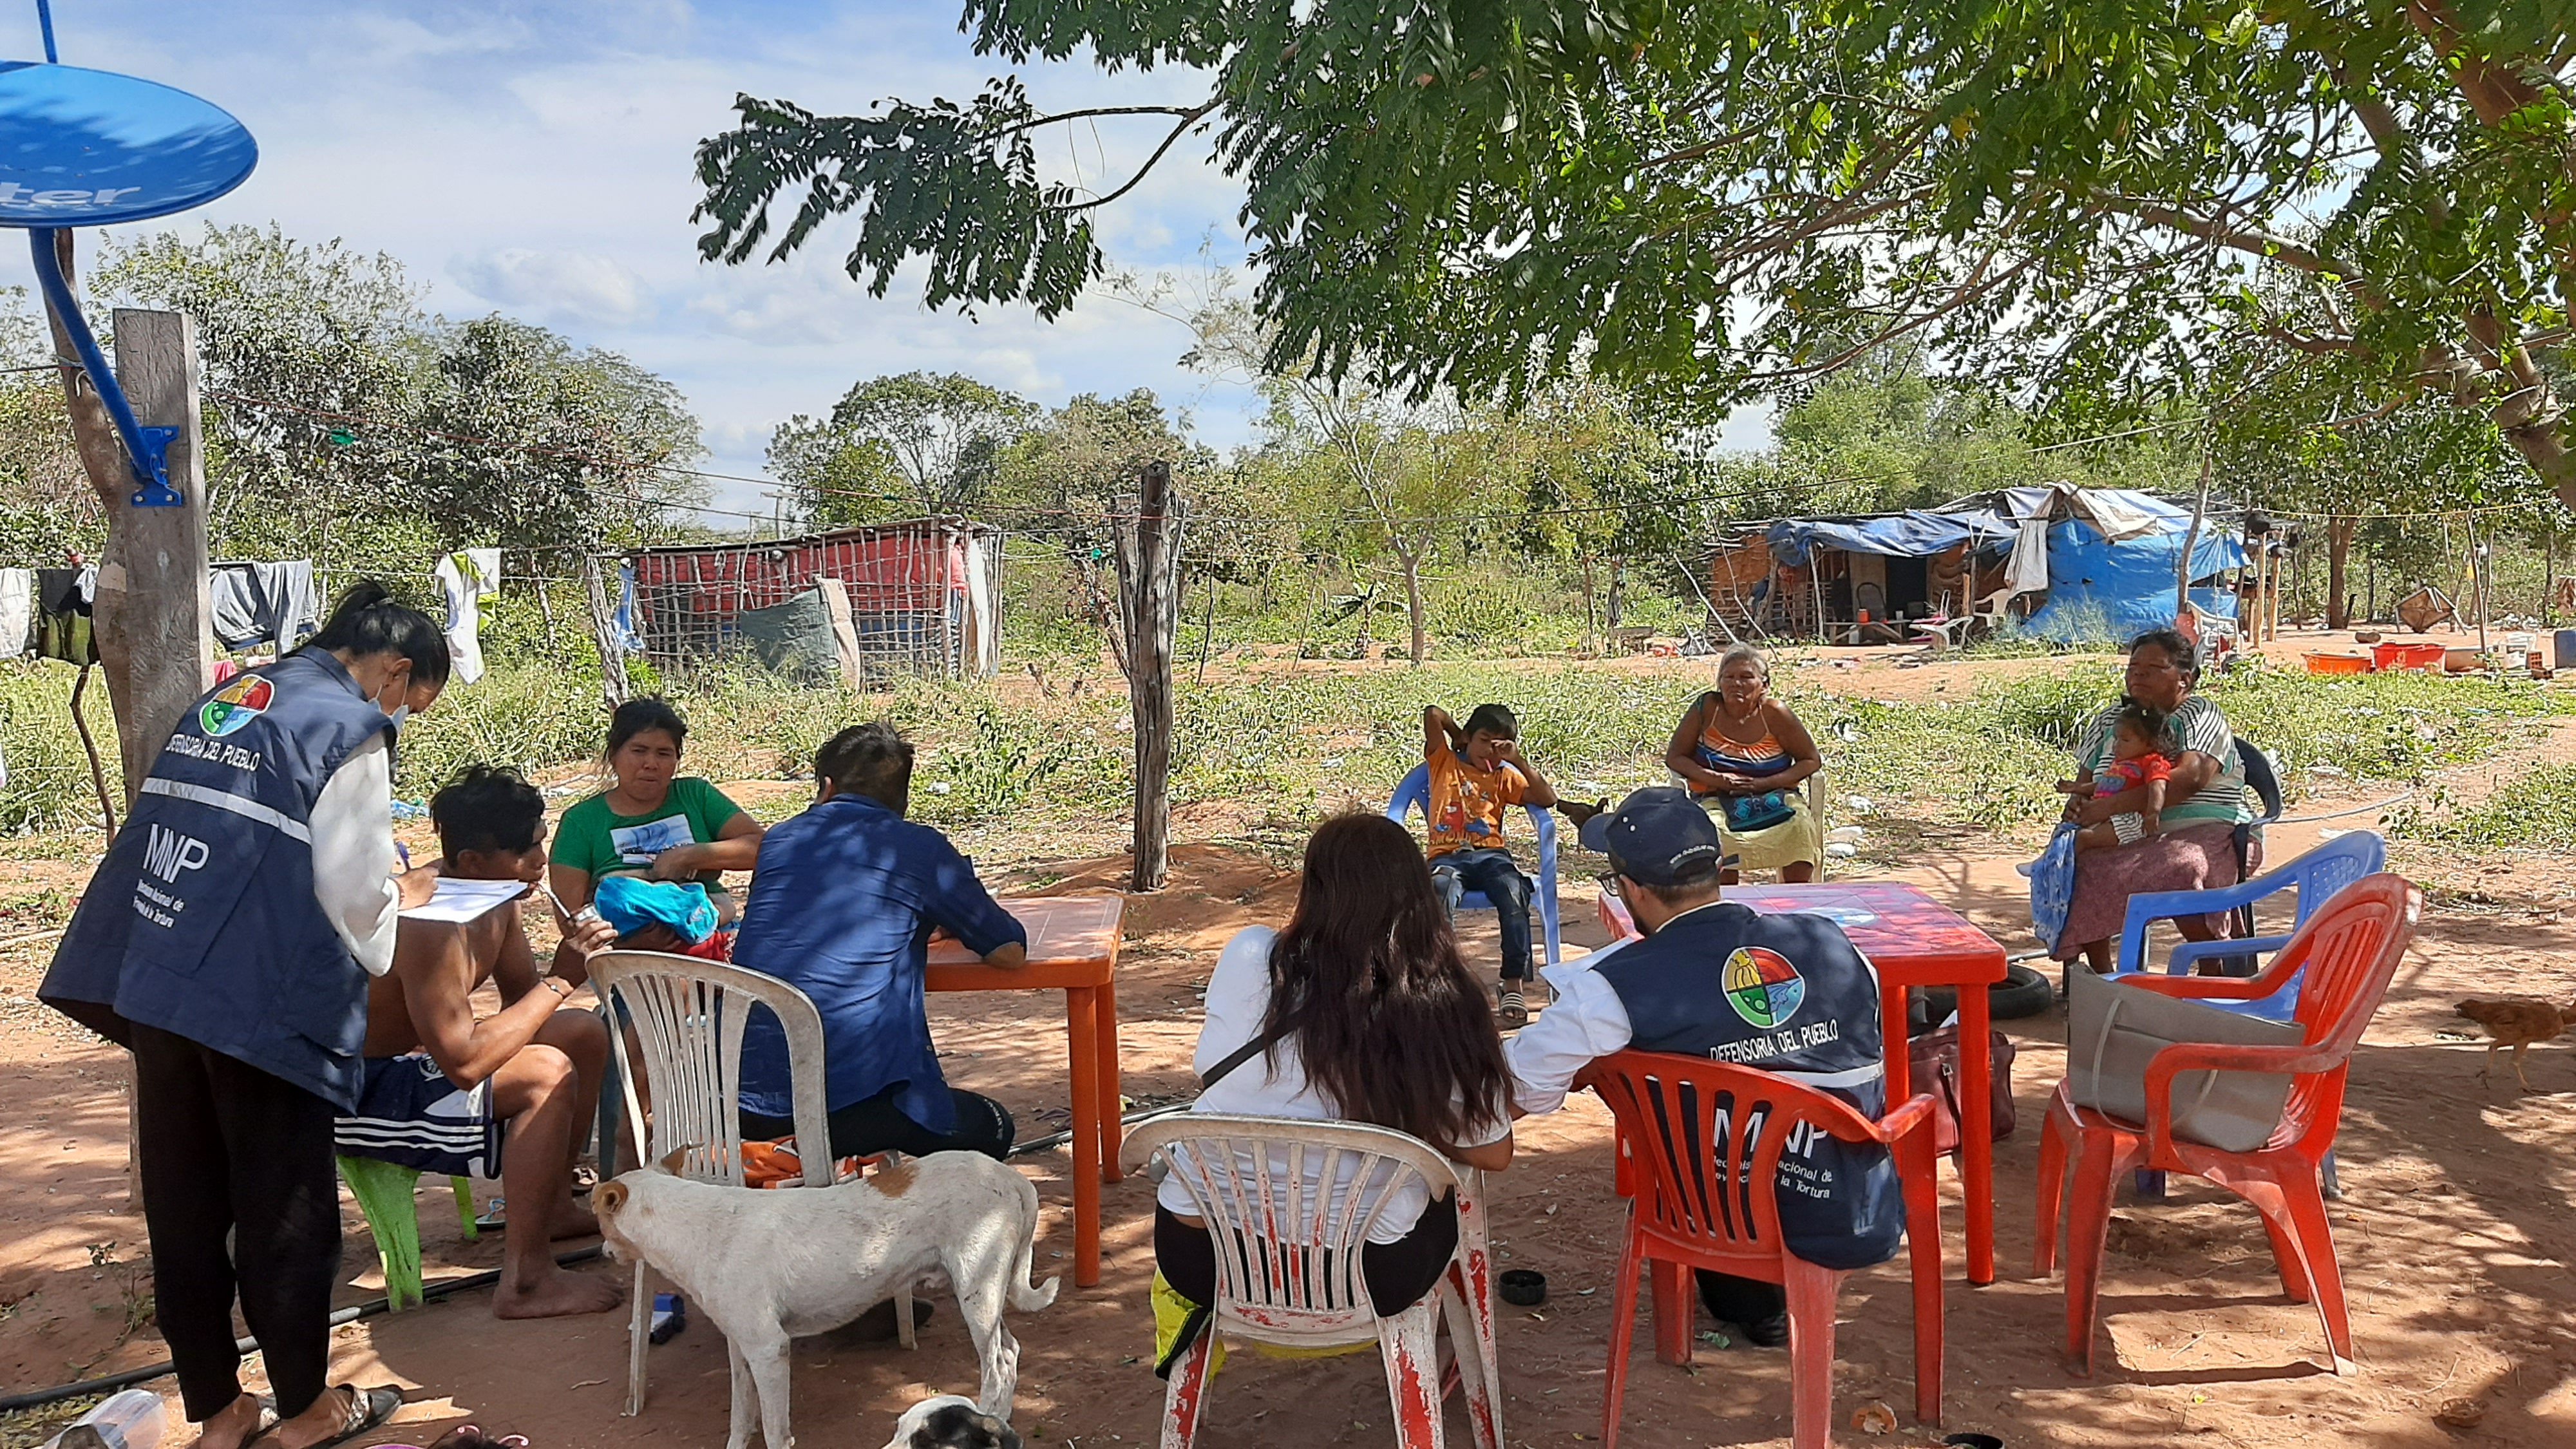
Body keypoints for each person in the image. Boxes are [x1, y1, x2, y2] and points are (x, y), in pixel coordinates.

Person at [41, 582, 448, 1449]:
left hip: (158, 971)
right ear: (395, 670)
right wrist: (400, 898)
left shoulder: (233, 694)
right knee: (286, 1211)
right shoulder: (349, 726)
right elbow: (350, 892)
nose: (404, 720)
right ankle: (305, 1408)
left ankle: (222, 1410)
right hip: (255, 999)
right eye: (413, 703)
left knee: (185, 1204)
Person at [1504, 789, 1900, 1347]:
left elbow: (1518, 1085)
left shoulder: (1612, 987)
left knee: (1706, 1139)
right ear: (1720, 869)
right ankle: (1760, 1303)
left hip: (1718, 1222)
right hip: (1855, 1208)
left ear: (1631, 890)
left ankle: (1745, 1301)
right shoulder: (1832, 942)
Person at [1153, 813, 1513, 1372]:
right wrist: (1412, 1127)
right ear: (1420, 896)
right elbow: (1493, 1153)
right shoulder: (1441, 1000)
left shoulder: (1249, 955)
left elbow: (1217, 1063)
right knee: (1439, 1195)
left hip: (1205, 1258)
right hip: (1370, 1279)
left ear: (1313, 889)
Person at [338, 765, 624, 1319]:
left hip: (426, 1063)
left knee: (582, 1033)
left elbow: (522, 1001)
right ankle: (525, 1279)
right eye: (529, 853)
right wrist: (563, 977)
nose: (542, 863)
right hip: (365, 1090)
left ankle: (554, 1206)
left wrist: (572, 970)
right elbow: (465, 1064)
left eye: (542, 844)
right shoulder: (430, 922)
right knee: (546, 1072)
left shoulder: (497, 894)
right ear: (472, 861)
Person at [734, 721, 1027, 1160]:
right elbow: (1008, 952)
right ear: (902, 799)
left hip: (742, 1103)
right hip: (848, 1111)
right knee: (993, 1126)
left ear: (826, 788)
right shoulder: (918, 847)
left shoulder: (780, 838)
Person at [2056, 629, 2257, 974]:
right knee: (2080, 863)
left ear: (2185, 679)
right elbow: (2086, 780)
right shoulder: (2111, 720)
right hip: (2124, 832)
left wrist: (2110, 807)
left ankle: (2211, 968)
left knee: (2182, 865)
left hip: (2208, 829)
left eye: (2153, 668)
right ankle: (2103, 978)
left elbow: (2190, 779)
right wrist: (2079, 805)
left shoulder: (2198, 713)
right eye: (2134, 666)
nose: (2138, 674)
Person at [546, 697, 762, 956]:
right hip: (629, 957)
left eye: (664, 753)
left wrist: (690, 856)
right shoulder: (581, 822)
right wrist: (628, 945)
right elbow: (572, 920)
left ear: (677, 759)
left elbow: (762, 847)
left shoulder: (696, 796)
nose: (651, 763)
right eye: (639, 751)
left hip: (712, 940)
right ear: (614, 755)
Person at [1417, 703, 1586, 1026]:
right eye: (1485, 741)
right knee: (1438, 893)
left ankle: (1512, 983)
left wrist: (1517, 760)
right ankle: (1443, 979)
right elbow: (1432, 712)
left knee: (1513, 894)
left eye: (1500, 746)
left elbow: (1547, 799)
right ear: (1469, 737)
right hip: (1447, 857)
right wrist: (1460, 739)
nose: (1491, 752)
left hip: (1490, 856)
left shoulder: (1503, 776)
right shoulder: (1444, 761)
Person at [1662, 644, 1825, 884]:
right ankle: (1728, 904)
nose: (1736, 684)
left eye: (1746, 677)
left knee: (1800, 825)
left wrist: (1764, 783)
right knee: (1714, 830)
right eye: (1729, 677)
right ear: (1719, 682)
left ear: (1764, 685)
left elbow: (1811, 760)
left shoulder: (1776, 714)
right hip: (1714, 797)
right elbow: (1675, 757)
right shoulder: (1706, 709)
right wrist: (1717, 780)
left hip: (1776, 794)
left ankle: (1794, 900)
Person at [2060, 698, 2171, 853]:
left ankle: (2057, 868)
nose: (2116, 745)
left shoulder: (2152, 763)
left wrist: (2153, 813)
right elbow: (2105, 785)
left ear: (2150, 743)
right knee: (2065, 830)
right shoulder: (2119, 763)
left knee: (2083, 838)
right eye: (2116, 738)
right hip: (2103, 815)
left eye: (2125, 740)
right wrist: (2077, 788)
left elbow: (2158, 786)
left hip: (2126, 820)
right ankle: (2046, 863)